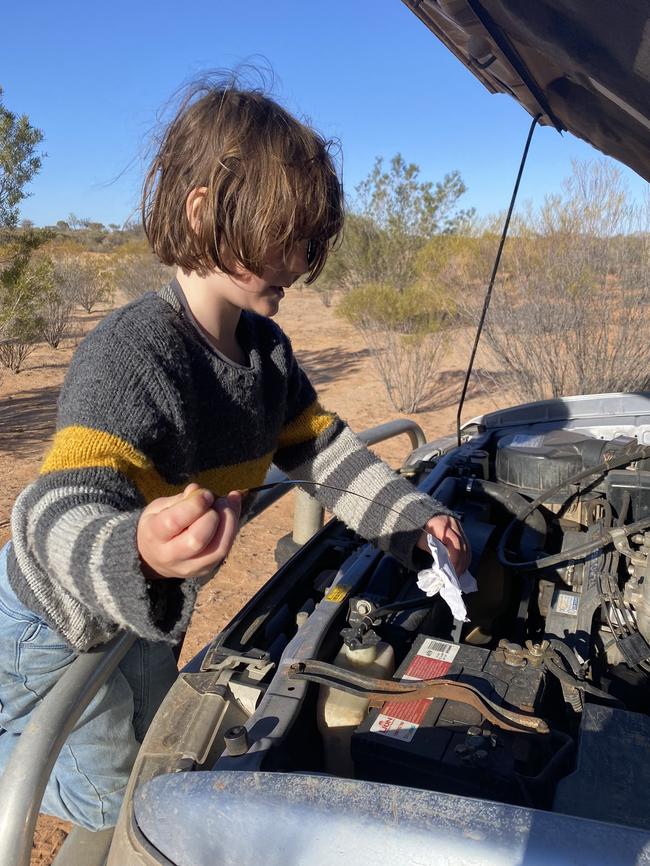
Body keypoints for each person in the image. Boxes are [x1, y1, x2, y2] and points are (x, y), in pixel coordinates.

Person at [0, 78, 469, 831]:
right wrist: (139, 547)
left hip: (151, 610)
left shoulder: (266, 354)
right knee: (103, 796)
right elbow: (58, 508)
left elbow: (320, 450)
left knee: (156, 747)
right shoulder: (132, 353)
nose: (305, 255)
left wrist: (412, 521)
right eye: (289, 232)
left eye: (312, 238)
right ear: (203, 211)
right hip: (59, 616)